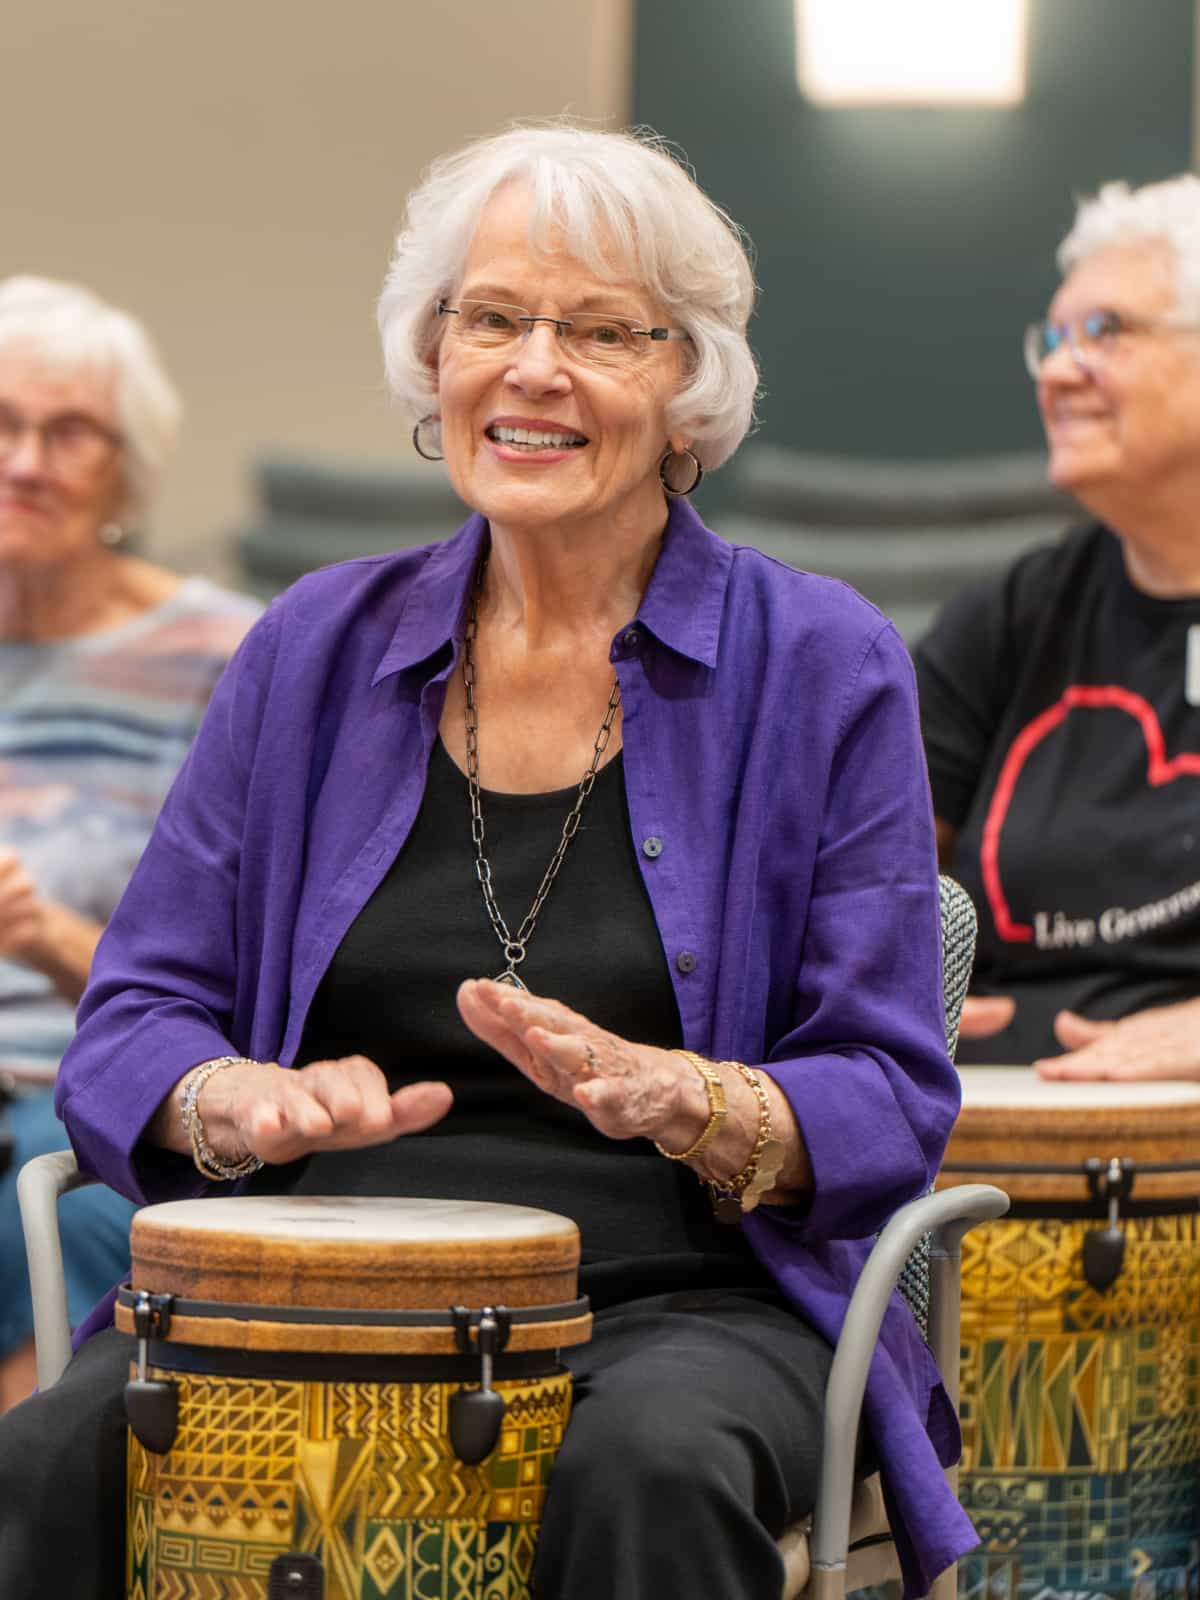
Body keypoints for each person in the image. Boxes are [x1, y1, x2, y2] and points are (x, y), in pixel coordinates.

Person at [0, 126, 968, 1599]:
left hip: (683, 1297)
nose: (533, 368)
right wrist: (234, 1098)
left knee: (645, 1472)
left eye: (602, 331)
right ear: (431, 358)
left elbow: (890, 1093)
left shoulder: (823, 663)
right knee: (48, 1459)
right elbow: (136, 1019)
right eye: (494, 319)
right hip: (315, 1289)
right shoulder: (310, 649)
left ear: (689, 388)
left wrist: (688, 1097)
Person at [0, 276, 261, 1412]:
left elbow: (247, 985)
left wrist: (42, 932)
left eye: (68, 432)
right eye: (2, 426)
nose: (25, 461)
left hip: (92, 1080)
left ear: (129, 472)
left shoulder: (223, 655)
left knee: (53, 1206)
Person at [916, 175, 1200, 1080]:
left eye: (1106, 333)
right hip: (1008, 1119)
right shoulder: (1012, 616)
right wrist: (888, 989)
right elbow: (851, 874)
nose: (1059, 371)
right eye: (1054, 338)